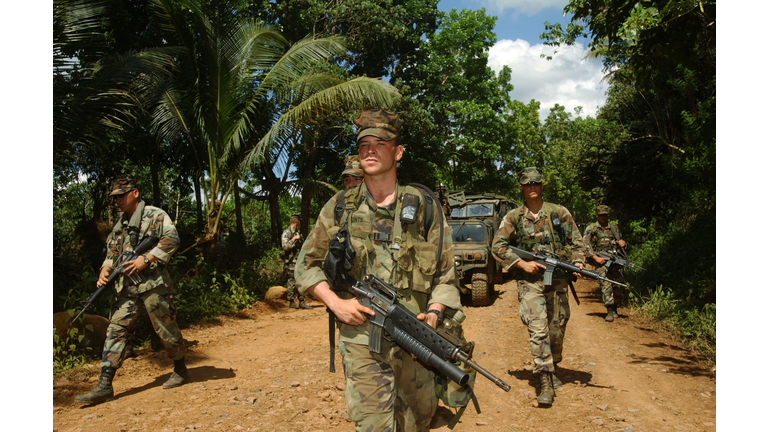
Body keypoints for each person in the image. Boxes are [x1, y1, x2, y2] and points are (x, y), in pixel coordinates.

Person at [294, 109, 462, 431]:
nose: (370, 150)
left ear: (397, 152)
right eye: (363, 144)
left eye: (380, 143)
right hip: (361, 341)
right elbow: (306, 265)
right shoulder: (340, 207)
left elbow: (445, 274)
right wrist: (336, 303)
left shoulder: (425, 207)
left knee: (416, 425)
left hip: (415, 339)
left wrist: (435, 313)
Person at [76, 179, 187, 405]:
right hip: (126, 287)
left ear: (135, 193)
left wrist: (145, 258)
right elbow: (111, 254)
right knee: (115, 330)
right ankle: (105, 384)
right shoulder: (120, 226)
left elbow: (172, 238)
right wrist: (105, 271)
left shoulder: (154, 215)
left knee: (165, 327)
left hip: (153, 284)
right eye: (115, 197)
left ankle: (180, 368)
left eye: (122, 195)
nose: (118, 200)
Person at [491, 167, 587, 407]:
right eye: (527, 183)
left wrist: (577, 261)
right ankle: (544, 378)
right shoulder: (513, 217)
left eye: (536, 182)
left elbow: (578, 242)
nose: (532, 186)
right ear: (521, 188)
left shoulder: (559, 213)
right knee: (538, 327)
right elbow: (498, 246)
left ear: (542, 185)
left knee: (556, 328)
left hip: (558, 280)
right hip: (529, 283)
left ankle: (553, 364)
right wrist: (523, 264)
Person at [583, 205, 627, 322]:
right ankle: (609, 309)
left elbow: (619, 242)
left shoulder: (614, 228)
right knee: (606, 283)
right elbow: (585, 245)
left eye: (605, 215)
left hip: (614, 260)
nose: (603, 217)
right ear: (597, 215)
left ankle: (615, 306)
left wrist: (623, 243)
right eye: (601, 215)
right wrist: (595, 257)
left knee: (618, 284)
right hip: (601, 261)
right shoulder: (591, 228)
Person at [281, 214, 309, 309]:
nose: (300, 222)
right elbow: (285, 247)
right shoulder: (287, 233)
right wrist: (293, 239)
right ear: (296, 221)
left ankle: (301, 301)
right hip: (291, 262)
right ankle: (291, 302)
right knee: (292, 282)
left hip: (298, 261)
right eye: (299, 221)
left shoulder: (296, 233)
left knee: (300, 281)